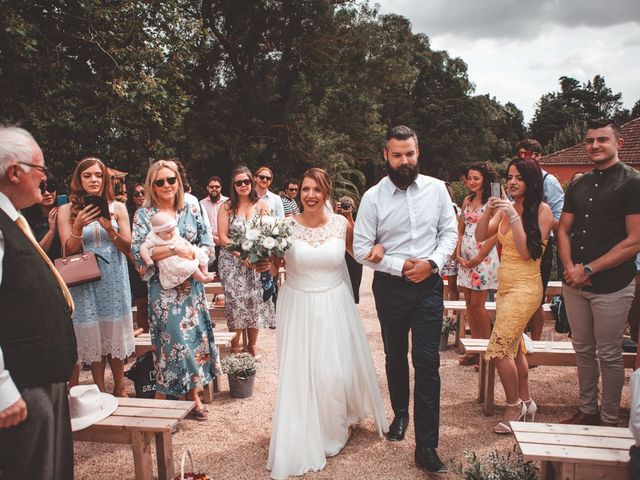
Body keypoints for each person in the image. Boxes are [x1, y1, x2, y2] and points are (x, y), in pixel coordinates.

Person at [267, 168, 388, 479]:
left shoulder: (340, 224)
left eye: (316, 190)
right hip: (298, 304)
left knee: (332, 371)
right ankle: (306, 427)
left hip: (334, 304)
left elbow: (359, 255)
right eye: (305, 189)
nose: (310, 195)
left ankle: (335, 426)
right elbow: (274, 267)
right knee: (303, 370)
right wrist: (260, 258)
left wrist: (378, 249)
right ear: (298, 192)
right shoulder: (284, 227)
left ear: (326, 193)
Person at [353, 125, 458, 473]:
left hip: (429, 286)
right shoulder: (372, 197)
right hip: (390, 288)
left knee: (427, 362)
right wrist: (401, 267)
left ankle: (427, 446)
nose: (404, 161)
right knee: (395, 354)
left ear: (418, 152)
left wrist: (431, 264)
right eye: (396, 155)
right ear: (385, 155)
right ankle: (400, 412)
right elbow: (360, 249)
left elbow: (450, 232)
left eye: (409, 154)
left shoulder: (438, 189)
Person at [0, 126, 77, 479]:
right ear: (14, 171)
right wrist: (2, 389)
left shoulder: (14, 218)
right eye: (40, 170)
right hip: (20, 384)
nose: (45, 181)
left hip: (41, 374)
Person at [557, 118, 640, 427]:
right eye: (590, 140)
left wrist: (588, 269)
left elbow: (635, 240)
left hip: (613, 284)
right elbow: (563, 229)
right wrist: (569, 269)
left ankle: (608, 417)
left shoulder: (633, 182)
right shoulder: (579, 182)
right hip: (574, 283)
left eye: (602, 140)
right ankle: (587, 409)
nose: (594, 145)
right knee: (582, 350)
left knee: (609, 353)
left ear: (618, 143)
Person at [132, 160, 218, 421]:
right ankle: (163, 395)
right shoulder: (144, 214)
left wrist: (191, 255)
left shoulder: (192, 206)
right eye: (160, 181)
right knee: (171, 343)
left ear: (179, 181)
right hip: (164, 292)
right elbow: (138, 254)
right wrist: (173, 249)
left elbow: (208, 245)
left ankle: (193, 395)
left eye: (171, 180)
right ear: (152, 185)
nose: (166, 185)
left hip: (192, 288)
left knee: (193, 340)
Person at [476, 157, 553, 433]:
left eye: (518, 177)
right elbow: (480, 234)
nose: (512, 182)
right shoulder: (507, 207)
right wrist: (490, 209)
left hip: (527, 287)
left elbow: (526, 252)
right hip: (505, 287)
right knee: (514, 346)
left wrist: (512, 215)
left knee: (497, 349)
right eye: (509, 177)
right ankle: (527, 400)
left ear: (531, 181)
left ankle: (513, 405)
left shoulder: (542, 211)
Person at [58, 157, 135, 397]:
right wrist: (78, 225)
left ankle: (120, 387)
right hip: (85, 280)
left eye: (98, 175)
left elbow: (128, 247)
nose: (93, 179)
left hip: (113, 277)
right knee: (95, 334)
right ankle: (100, 389)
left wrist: (109, 227)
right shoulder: (67, 210)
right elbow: (66, 251)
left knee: (113, 332)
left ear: (105, 179)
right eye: (87, 175)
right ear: (78, 180)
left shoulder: (118, 207)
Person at [217, 166, 275, 358]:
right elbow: (223, 238)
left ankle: (253, 345)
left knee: (254, 302)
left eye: (246, 181)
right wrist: (241, 255)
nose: (243, 185)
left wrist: (261, 257)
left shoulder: (261, 206)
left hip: (255, 263)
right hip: (232, 263)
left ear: (252, 182)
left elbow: (269, 234)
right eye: (238, 182)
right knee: (235, 303)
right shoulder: (225, 207)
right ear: (233, 185)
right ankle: (236, 347)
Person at [517, 139, 565, 340]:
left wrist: (539, 219)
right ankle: (519, 342)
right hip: (517, 243)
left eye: (530, 154)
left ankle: (535, 345)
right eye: (522, 154)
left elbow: (561, 221)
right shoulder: (517, 180)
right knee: (518, 297)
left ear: (539, 156)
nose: (525, 158)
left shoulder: (549, 181)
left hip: (541, 244)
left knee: (536, 298)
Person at [455, 162, 499, 365]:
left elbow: (494, 233)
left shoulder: (493, 202)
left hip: (484, 259)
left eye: (476, 178)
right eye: (469, 178)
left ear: (485, 180)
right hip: (464, 259)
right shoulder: (467, 200)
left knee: (478, 305)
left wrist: (478, 257)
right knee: (468, 305)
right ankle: (474, 349)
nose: (471, 182)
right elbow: (461, 229)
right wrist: (457, 253)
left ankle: (487, 352)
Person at [139, 210, 215, 288]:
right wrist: (148, 259)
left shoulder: (174, 231)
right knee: (191, 267)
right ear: (158, 232)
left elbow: (182, 240)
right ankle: (203, 279)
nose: (172, 233)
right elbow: (143, 247)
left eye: (173, 230)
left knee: (201, 253)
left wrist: (189, 248)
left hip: (185, 250)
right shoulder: (154, 238)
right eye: (168, 232)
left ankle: (205, 272)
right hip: (171, 260)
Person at [22, 170, 62, 260]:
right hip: (47, 269)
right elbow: (36, 254)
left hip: (72, 267)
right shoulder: (28, 219)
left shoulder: (66, 209)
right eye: (42, 190)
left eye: (51, 188)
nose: (47, 193)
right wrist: (51, 230)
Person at [126, 181, 149, 331]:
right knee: (141, 303)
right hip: (134, 264)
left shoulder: (153, 213)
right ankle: (144, 337)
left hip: (153, 261)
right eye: (136, 194)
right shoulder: (127, 216)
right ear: (132, 198)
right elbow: (128, 246)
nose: (140, 196)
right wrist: (136, 264)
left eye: (143, 193)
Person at [335, 196, 364, 303]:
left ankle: (353, 301)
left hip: (352, 255)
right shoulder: (334, 217)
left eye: (348, 205)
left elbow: (358, 233)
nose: (346, 207)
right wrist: (335, 213)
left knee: (354, 281)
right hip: (340, 254)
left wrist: (349, 216)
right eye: (343, 205)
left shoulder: (356, 219)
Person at [200, 175, 228, 272]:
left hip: (225, 243)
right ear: (207, 188)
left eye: (217, 186)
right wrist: (212, 238)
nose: (214, 189)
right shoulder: (201, 204)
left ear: (221, 188)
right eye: (212, 187)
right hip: (209, 243)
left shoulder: (228, 202)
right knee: (211, 274)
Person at [440, 182, 461, 302]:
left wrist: (455, 251)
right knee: (443, 285)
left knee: (452, 285)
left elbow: (457, 230)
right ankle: (447, 314)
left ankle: (454, 315)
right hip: (441, 249)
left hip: (450, 250)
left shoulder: (452, 207)